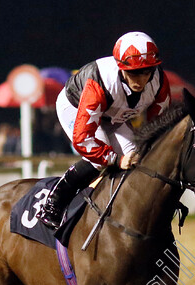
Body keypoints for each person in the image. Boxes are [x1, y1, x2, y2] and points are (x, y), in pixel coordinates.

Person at [37, 31, 171, 229]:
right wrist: (116, 159)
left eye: (147, 71)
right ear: (120, 67)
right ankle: (53, 202)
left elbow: (157, 128)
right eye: (134, 72)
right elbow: (83, 139)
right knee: (98, 159)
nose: (141, 79)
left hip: (113, 114)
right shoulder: (99, 82)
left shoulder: (159, 82)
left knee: (137, 158)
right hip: (76, 108)